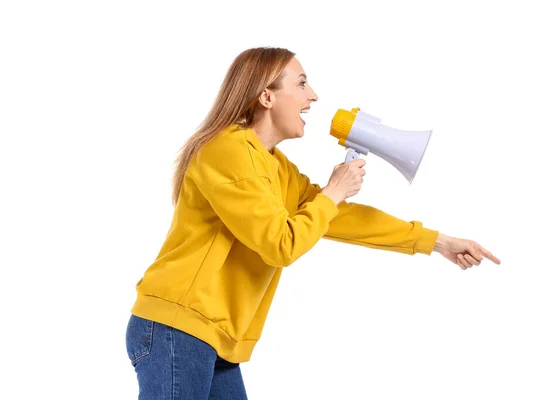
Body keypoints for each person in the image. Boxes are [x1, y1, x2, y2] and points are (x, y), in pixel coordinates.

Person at [125, 46, 501, 399]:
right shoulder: (228, 150)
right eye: (302, 83)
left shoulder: (274, 165)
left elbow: (336, 218)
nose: (314, 96)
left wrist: (436, 241)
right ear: (266, 97)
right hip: (180, 326)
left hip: (217, 335)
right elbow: (280, 243)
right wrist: (333, 191)